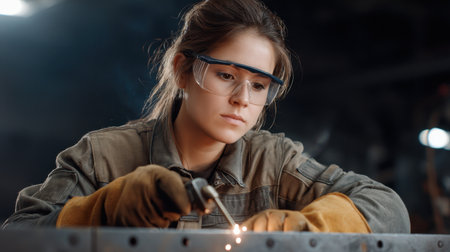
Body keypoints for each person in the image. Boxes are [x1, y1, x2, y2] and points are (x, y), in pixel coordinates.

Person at [2, 0, 410, 232]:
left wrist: (305, 227)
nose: (241, 100)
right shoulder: (102, 156)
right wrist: (106, 209)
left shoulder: (274, 162)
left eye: (258, 85)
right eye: (226, 75)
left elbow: (387, 207)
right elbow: (17, 235)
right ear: (182, 70)